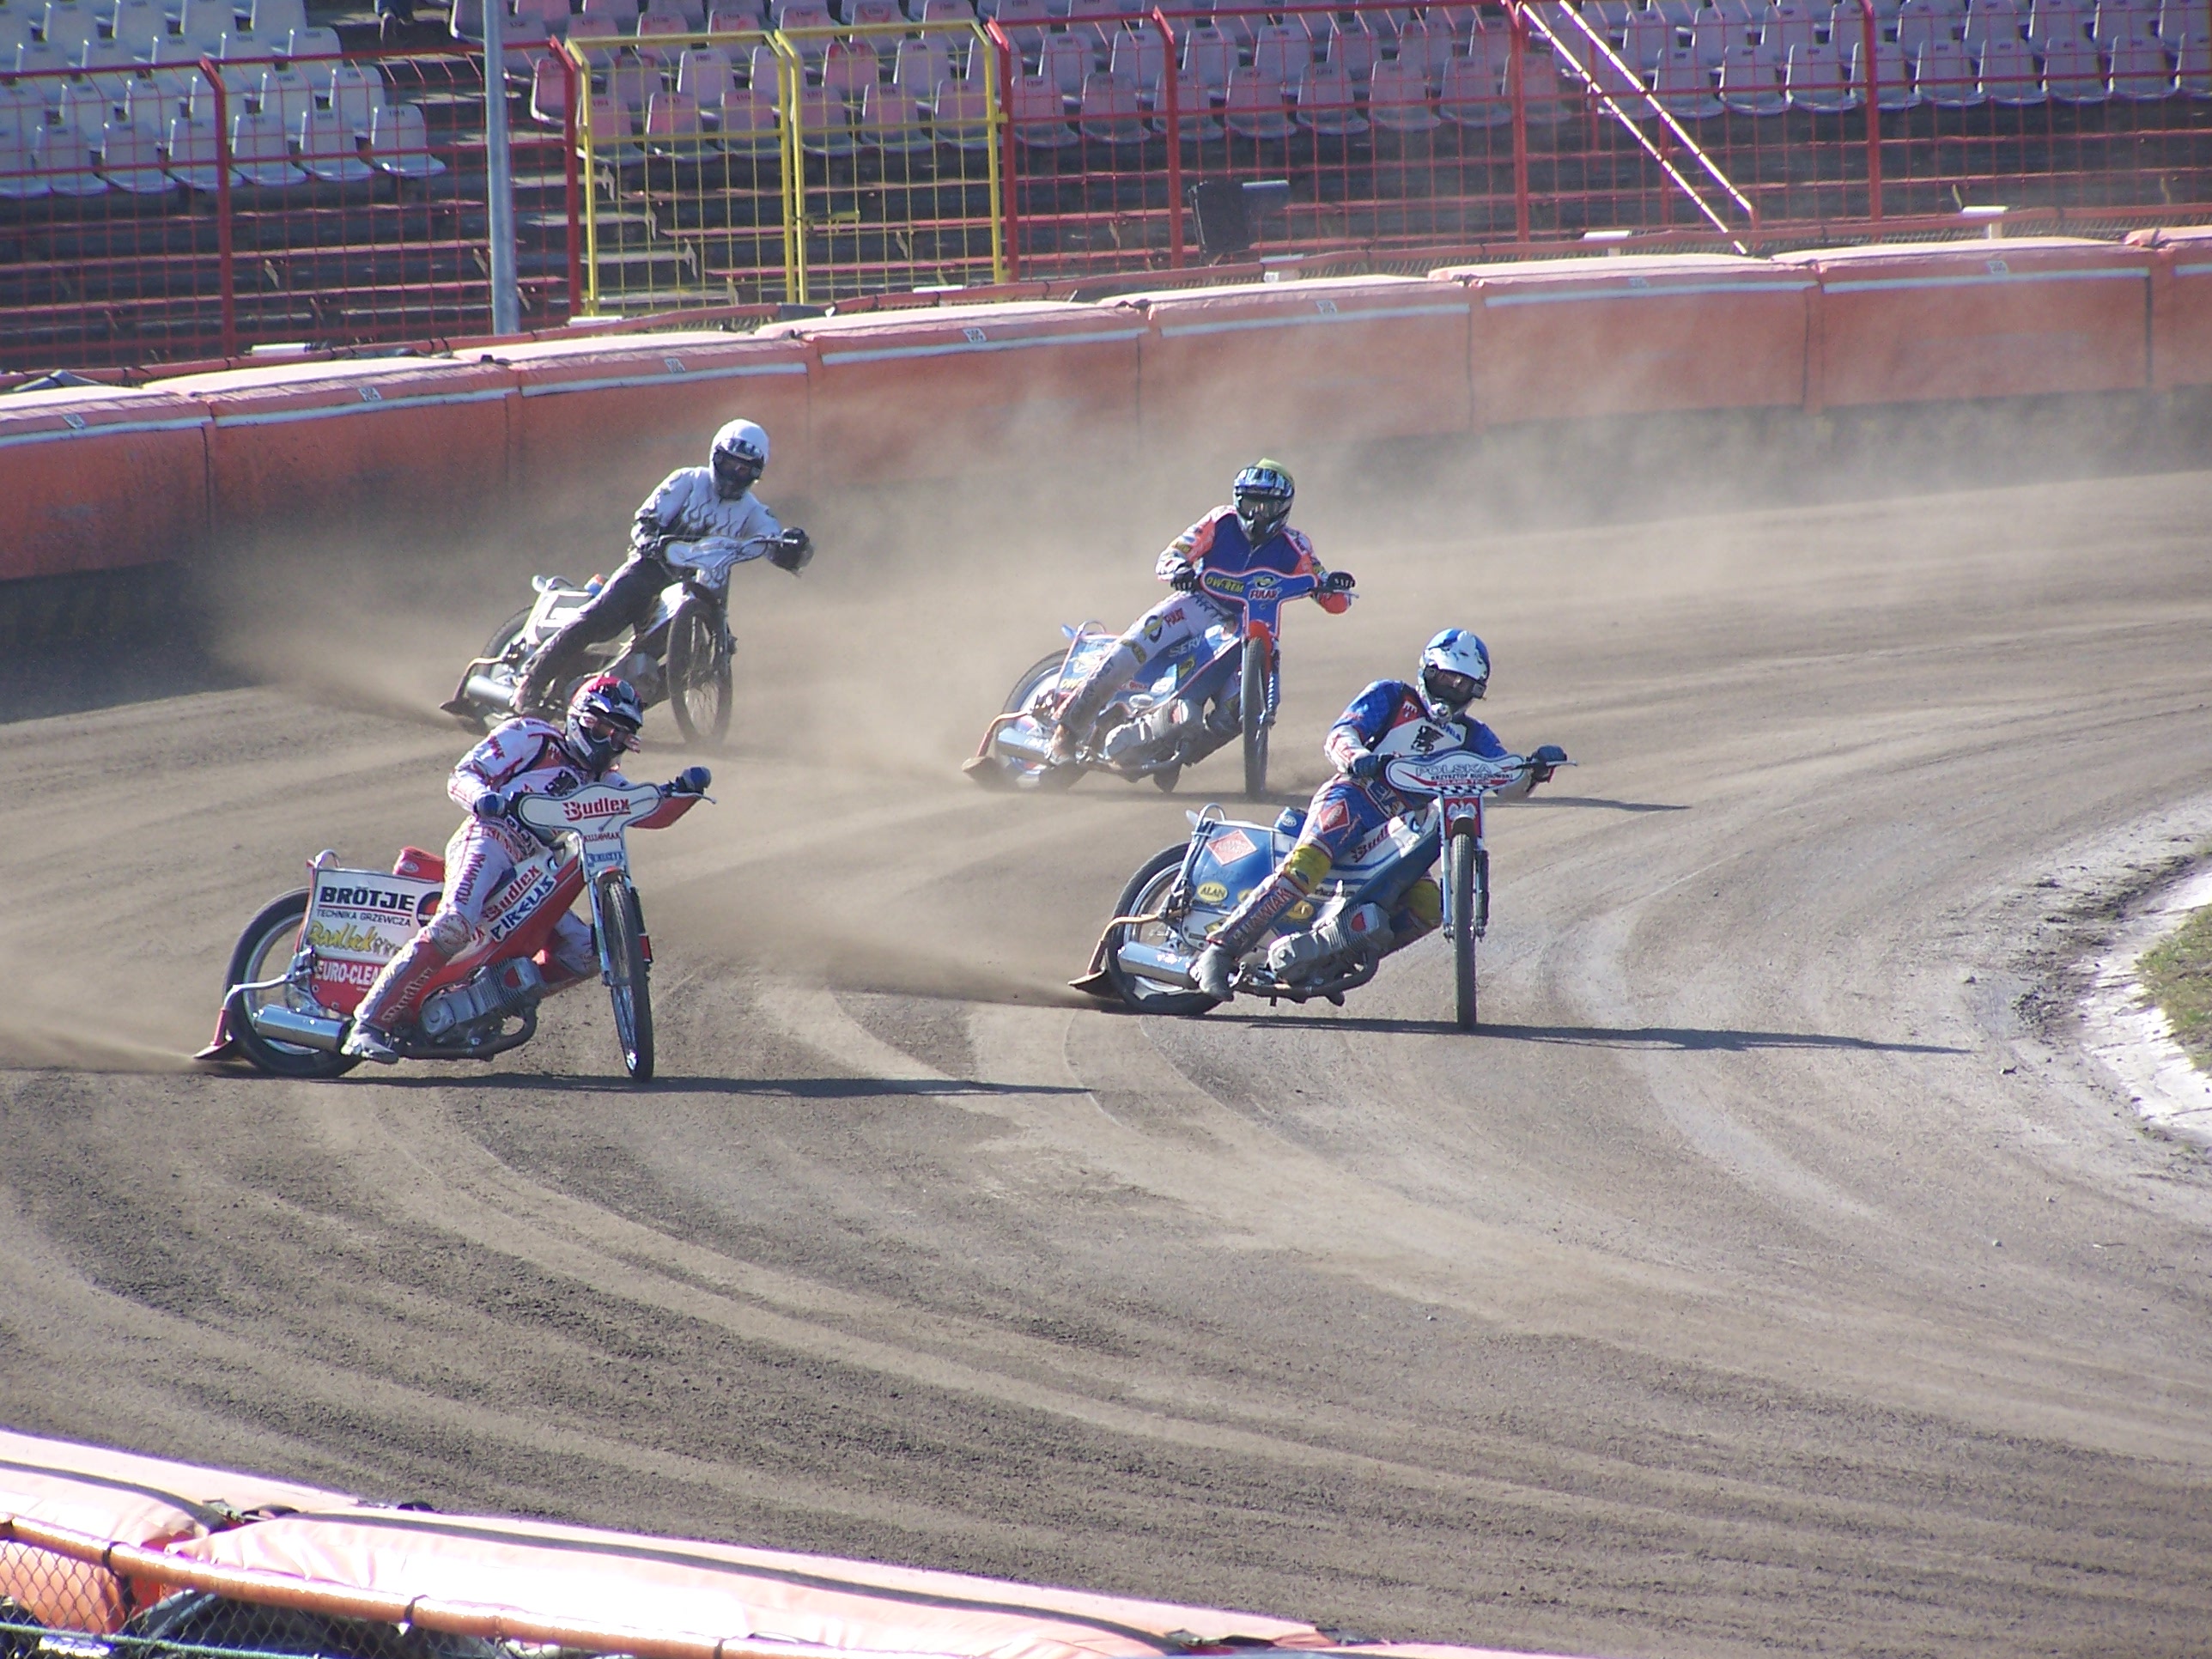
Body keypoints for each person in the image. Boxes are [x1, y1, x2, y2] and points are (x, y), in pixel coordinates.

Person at [1190, 629, 1566, 1001]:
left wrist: (1534, 770)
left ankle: (1332, 960)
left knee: (1428, 907)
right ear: (1426, 669)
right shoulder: (1391, 695)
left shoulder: (1472, 734)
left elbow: (1503, 777)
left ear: (1475, 692)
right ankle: (1219, 951)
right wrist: (1356, 757)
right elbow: (1342, 733)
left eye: (1463, 684)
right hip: (1355, 797)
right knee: (1306, 866)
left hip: (1405, 830)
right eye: (1445, 676)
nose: (1451, 687)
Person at [342, 675, 650, 1063]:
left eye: (621, 735)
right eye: (605, 728)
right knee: (454, 924)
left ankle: (488, 1001)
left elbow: (640, 806)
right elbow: (463, 775)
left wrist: (681, 790)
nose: (611, 741)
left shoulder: (603, 781)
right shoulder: (533, 736)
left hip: (534, 872)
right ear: (582, 719)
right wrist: (483, 798)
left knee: (587, 953)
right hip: (489, 839)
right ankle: (368, 1024)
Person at [1047, 459, 1352, 763]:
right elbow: (1173, 553)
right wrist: (1179, 569)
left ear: (1284, 508)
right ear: (1237, 499)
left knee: (1238, 710)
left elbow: (1329, 593)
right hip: (1197, 604)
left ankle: (1179, 749)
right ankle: (1065, 733)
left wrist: (1333, 586)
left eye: (1267, 506)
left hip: (1247, 624)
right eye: (1250, 503)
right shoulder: (1221, 521)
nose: (1257, 514)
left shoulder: (1295, 544)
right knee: (1130, 649)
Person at [513, 418, 812, 714]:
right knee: (600, 619)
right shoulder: (688, 481)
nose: (735, 474)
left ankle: (615, 697)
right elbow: (645, 519)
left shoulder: (752, 511)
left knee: (677, 659)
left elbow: (772, 539)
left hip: (703, 587)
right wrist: (650, 540)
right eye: (730, 464)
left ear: (756, 472)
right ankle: (531, 683)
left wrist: (793, 548)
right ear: (715, 457)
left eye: (744, 468)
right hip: (649, 569)